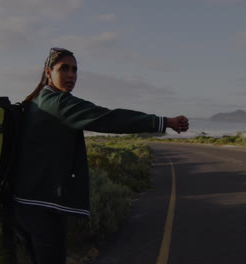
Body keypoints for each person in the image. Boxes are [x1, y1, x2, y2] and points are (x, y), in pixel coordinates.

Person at [11, 47, 189, 264]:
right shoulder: (58, 102)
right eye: (64, 69)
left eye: (75, 70)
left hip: (22, 204)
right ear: (48, 72)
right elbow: (108, 118)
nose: (71, 75)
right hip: (42, 207)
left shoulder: (35, 101)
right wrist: (163, 122)